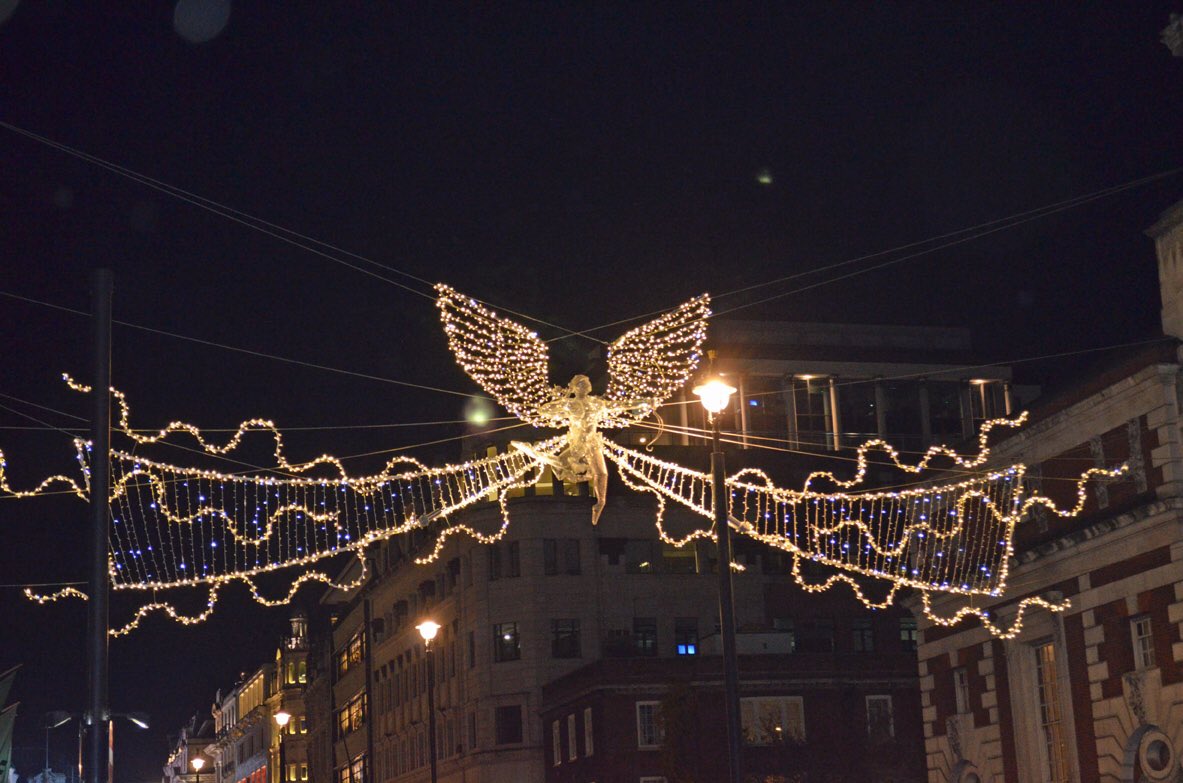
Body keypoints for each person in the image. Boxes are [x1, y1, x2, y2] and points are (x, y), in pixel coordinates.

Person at [513, 375, 652, 524]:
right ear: (574, 387)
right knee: (560, 462)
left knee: (602, 473)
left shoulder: (596, 403)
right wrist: (564, 396)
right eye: (580, 384)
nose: (584, 386)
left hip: (592, 443)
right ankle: (531, 451)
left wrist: (643, 402)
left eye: (586, 382)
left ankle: (600, 503)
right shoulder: (570, 404)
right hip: (578, 444)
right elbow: (544, 410)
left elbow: (620, 405)